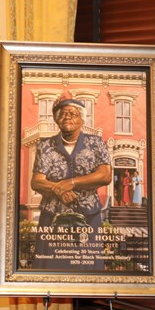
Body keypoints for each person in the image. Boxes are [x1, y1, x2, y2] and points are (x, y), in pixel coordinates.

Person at [30, 98, 111, 269]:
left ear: (82, 119)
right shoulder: (45, 145)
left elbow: (105, 175)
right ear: (56, 119)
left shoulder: (96, 143)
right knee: (48, 270)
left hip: (88, 217)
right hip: (52, 218)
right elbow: (37, 181)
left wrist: (72, 183)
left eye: (72, 114)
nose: (67, 117)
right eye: (62, 114)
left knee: (89, 271)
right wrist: (58, 190)